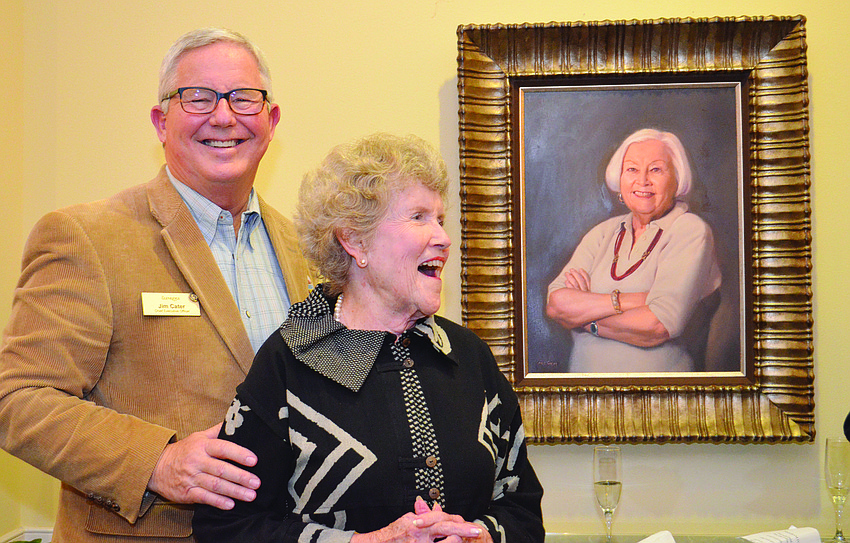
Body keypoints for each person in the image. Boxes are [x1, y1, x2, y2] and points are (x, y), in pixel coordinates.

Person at [0, 28, 314, 542]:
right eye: (197, 97)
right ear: (160, 121)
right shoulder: (87, 238)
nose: (223, 116)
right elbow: (19, 399)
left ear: (271, 120)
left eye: (244, 97)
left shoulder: (305, 248)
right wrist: (158, 461)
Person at [192, 133, 545, 543]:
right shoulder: (287, 364)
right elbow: (227, 528)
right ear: (355, 240)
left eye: (441, 219)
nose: (444, 238)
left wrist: (481, 536)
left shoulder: (469, 357)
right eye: (418, 217)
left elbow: (521, 507)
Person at [546, 128, 721, 373]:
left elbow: (657, 326)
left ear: (677, 179)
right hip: (582, 393)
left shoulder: (691, 231)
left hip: (659, 396)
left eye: (656, 169)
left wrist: (585, 319)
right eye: (632, 169)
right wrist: (631, 300)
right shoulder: (604, 232)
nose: (642, 181)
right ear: (619, 180)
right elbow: (556, 303)